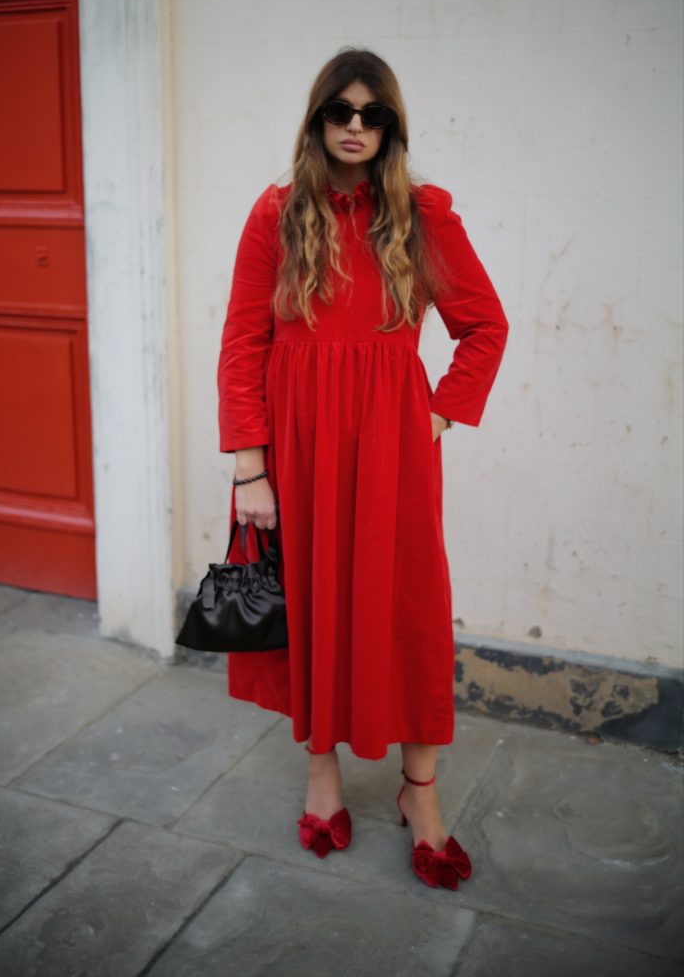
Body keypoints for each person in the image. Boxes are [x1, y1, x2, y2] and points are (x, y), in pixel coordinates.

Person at [217, 47, 508, 889]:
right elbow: (243, 340)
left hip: (393, 452)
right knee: (313, 604)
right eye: (339, 111)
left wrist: (437, 413)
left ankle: (421, 790)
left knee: (409, 611)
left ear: (391, 127)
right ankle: (322, 773)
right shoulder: (276, 214)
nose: (355, 126)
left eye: (372, 114)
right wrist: (250, 468)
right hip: (296, 451)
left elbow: (485, 325)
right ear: (317, 120)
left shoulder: (422, 216)